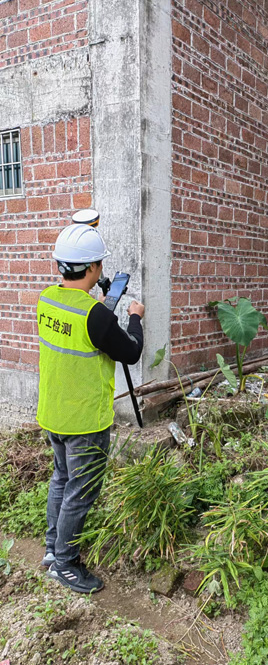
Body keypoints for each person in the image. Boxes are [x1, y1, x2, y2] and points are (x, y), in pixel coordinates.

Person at [37, 223, 145, 593]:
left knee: (61, 480)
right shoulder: (96, 317)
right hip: (84, 421)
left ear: (61, 265)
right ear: (94, 269)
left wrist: (101, 309)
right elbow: (130, 351)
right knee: (80, 492)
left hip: (53, 413)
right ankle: (65, 565)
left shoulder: (47, 299)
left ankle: (52, 551)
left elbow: (78, 325)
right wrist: (134, 317)